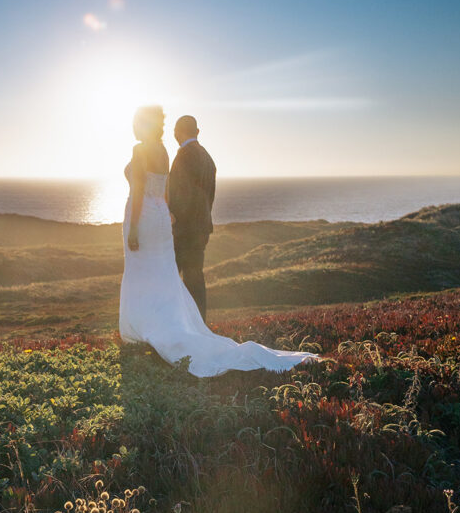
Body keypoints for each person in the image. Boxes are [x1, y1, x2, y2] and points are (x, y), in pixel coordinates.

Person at [118, 105, 318, 377]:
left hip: (151, 219)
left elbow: (141, 191)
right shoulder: (170, 153)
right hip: (167, 220)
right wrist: (168, 216)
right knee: (170, 275)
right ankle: (181, 324)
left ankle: (149, 328)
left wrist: (135, 229)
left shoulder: (142, 150)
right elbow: (172, 192)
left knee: (148, 273)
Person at [168, 115, 216, 321]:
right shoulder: (207, 157)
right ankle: (199, 324)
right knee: (195, 278)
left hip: (184, 230)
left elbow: (180, 194)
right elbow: (209, 196)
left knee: (169, 278)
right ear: (197, 132)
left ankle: (174, 324)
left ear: (177, 133)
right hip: (201, 228)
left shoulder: (183, 156)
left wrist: (173, 217)